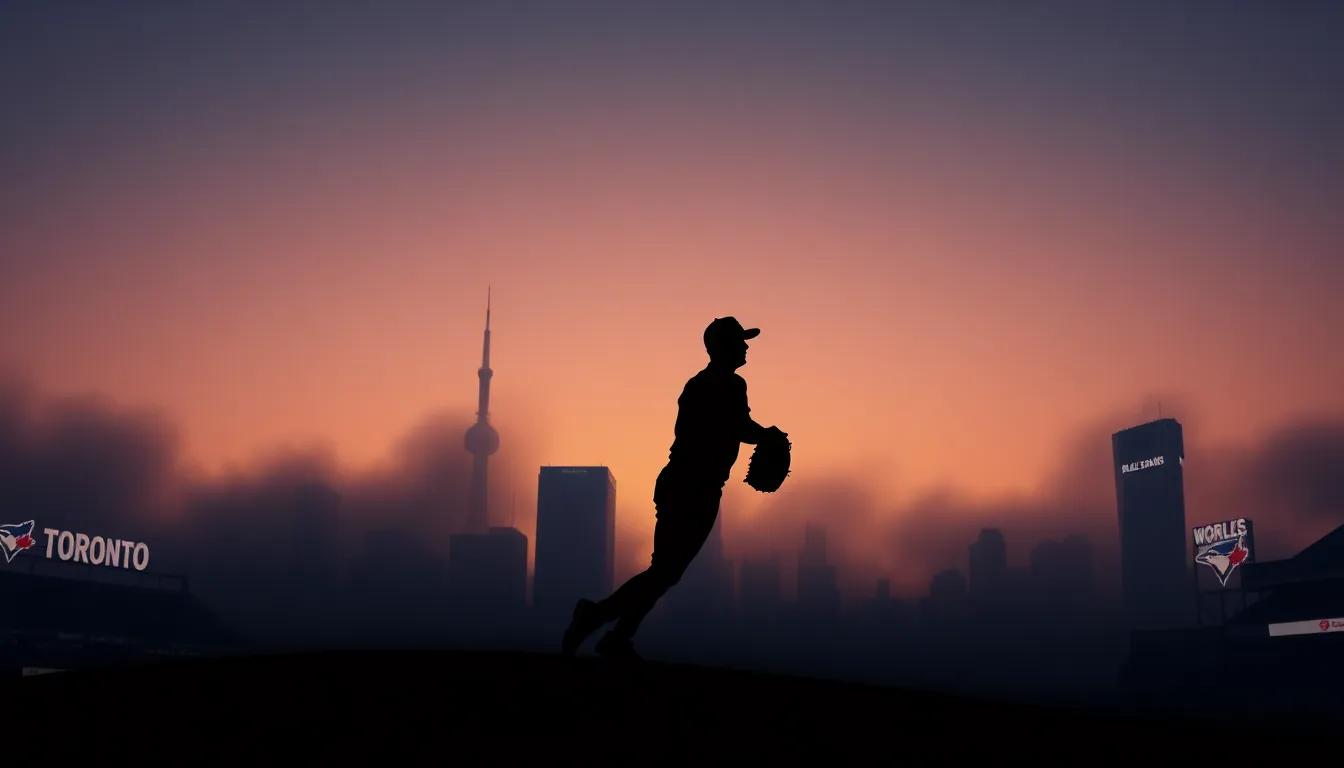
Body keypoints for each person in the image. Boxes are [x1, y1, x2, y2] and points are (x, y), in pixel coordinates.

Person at [561, 316, 786, 660]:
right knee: (665, 572)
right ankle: (595, 617)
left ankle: (615, 635)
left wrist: (763, 435)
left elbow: (730, 426)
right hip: (693, 487)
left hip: (683, 483)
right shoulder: (726, 384)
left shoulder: (702, 384)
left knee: (665, 572)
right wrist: (767, 435)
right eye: (740, 341)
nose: (745, 347)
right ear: (723, 347)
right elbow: (738, 426)